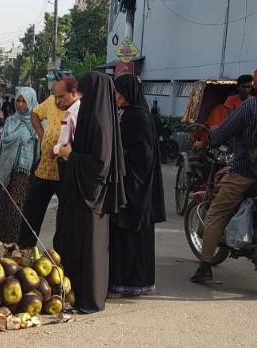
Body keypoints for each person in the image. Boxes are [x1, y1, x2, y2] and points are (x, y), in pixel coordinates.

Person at [191, 59, 257, 283]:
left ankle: (205, 266)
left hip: (247, 171)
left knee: (217, 211)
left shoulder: (251, 105)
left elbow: (223, 131)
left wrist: (210, 140)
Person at [57, 72, 126, 313]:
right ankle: (76, 293)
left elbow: (101, 163)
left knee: (90, 248)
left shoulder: (100, 120)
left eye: (85, 94)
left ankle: (89, 298)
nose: (82, 99)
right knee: (77, 244)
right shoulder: (93, 115)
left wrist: (70, 156)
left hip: (92, 194)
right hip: (83, 192)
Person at [107, 74, 166, 298]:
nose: (116, 96)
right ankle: (134, 283)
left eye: (119, 92)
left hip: (136, 186)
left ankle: (126, 285)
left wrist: (119, 157)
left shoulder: (136, 116)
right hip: (137, 184)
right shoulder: (138, 113)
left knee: (129, 233)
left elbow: (144, 154)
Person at [17, 77, 81, 249]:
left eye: (61, 97)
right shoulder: (52, 101)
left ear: (73, 93)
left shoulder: (80, 109)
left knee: (64, 216)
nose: (58, 100)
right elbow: (35, 113)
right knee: (32, 209)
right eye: (56, 96)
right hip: (46, 167)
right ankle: (24, 249)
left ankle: (58, 255)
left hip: (66, 171)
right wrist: (41, 133)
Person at [0, 87, 40, 244]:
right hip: (5, 170)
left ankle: (13, 245)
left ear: (31, 101)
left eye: (24, 101)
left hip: (23, 172)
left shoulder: (36, 122)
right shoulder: (11, 120)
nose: (20, 104)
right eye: (18, 101)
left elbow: (39, 147)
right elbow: (2, 146)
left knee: (16, 209)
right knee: (1, 207)